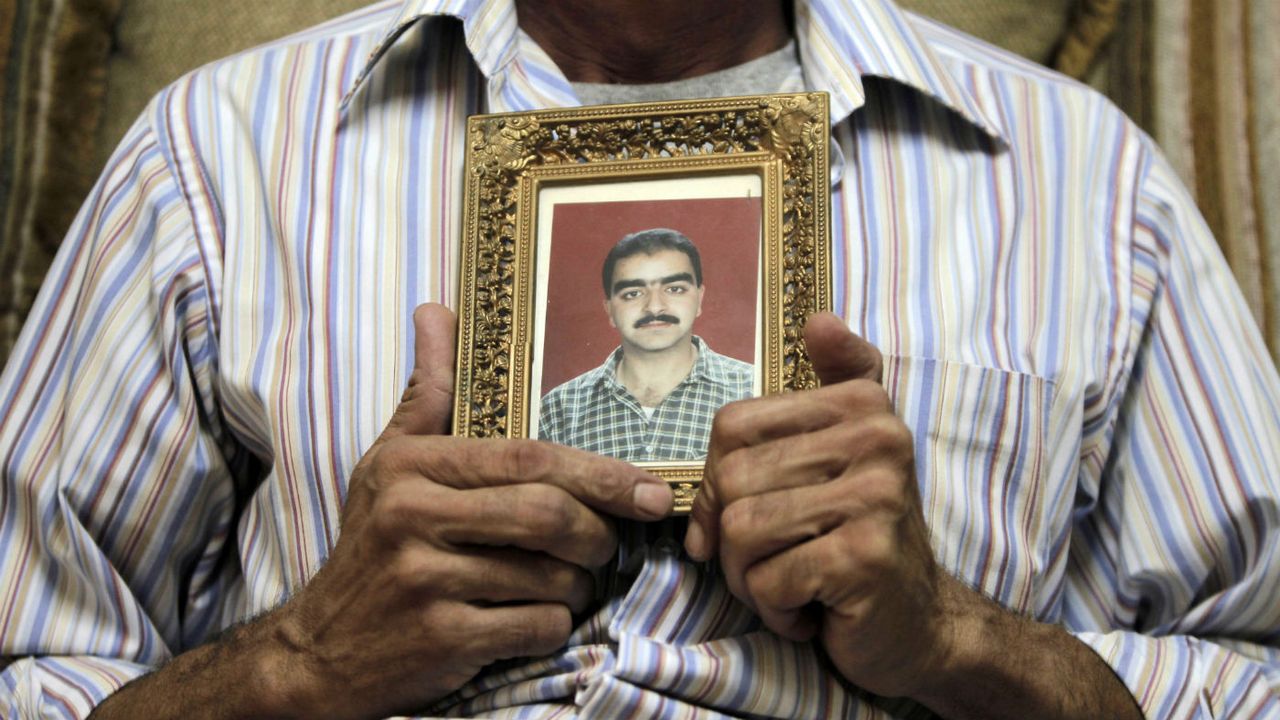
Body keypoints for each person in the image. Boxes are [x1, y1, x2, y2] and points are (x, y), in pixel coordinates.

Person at [1, 0, 1278, 718]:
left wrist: (954, 638)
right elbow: (30, 672)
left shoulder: (1083, 185)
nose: (661, 306)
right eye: (639, 290)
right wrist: (306, 660)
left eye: (683, 286)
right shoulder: (217, 159)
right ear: (610, 308)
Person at [538, 228, 753, 462]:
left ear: (699, 299)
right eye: (633, 293)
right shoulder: (556, 410)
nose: (654, 307)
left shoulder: (754, 391)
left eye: (674, 289)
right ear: (609, 310)